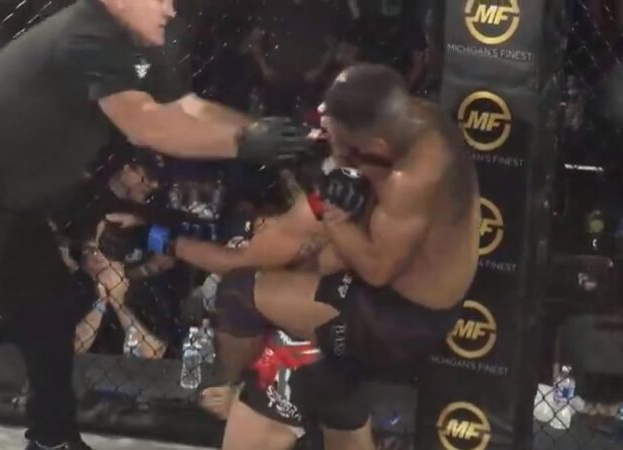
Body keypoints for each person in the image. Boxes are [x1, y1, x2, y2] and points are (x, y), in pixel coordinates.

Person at [0, 1, 310, 450]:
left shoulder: (137, 45)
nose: (170, 8)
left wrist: (261, 131)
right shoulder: (88, 35)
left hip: (8, 198)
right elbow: (146, 124)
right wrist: (244, 143)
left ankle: (51, 437)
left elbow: (187, 107)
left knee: (49, 309)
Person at [204, 64, 478, 450]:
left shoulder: (412, 179)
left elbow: (377, 270)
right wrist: (323, 151)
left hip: (400, 317)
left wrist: (332, 216)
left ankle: (231, 385)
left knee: (242, 293)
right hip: (389, 294)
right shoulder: (409, 120)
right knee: (325, 363)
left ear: (372, 143)